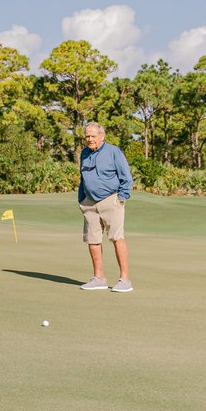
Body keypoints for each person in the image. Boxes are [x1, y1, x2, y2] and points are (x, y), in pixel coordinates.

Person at [77, 122, 133, 293]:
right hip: (90, 203)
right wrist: (82, 199)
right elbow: (83, 178)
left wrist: (121, 198)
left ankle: (125, 279)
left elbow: (126, 177)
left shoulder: (113, 151)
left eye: (93, 136)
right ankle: (99, 278)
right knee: (92, 240)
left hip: (111, 200)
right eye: (87, 136)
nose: (89, 139)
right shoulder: (85, 154)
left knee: (117, 238)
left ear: (102, 136)